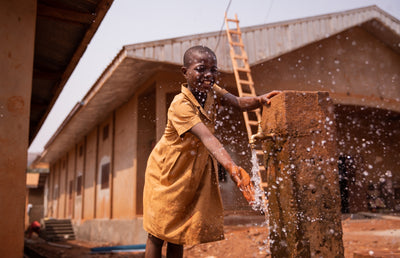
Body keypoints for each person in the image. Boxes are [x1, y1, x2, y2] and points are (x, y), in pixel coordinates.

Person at [143, 45, 280, 258]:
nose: (208, 75)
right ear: (184, 72)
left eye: (213, 70)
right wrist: (231, 167)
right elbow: (208, 137)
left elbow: (237, 102)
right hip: (167, 172)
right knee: (158, 231)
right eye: (200, 69)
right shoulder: (181, 105)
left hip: (191, 170)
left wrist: (259, 100)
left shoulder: (211, 91)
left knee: (179, 232)